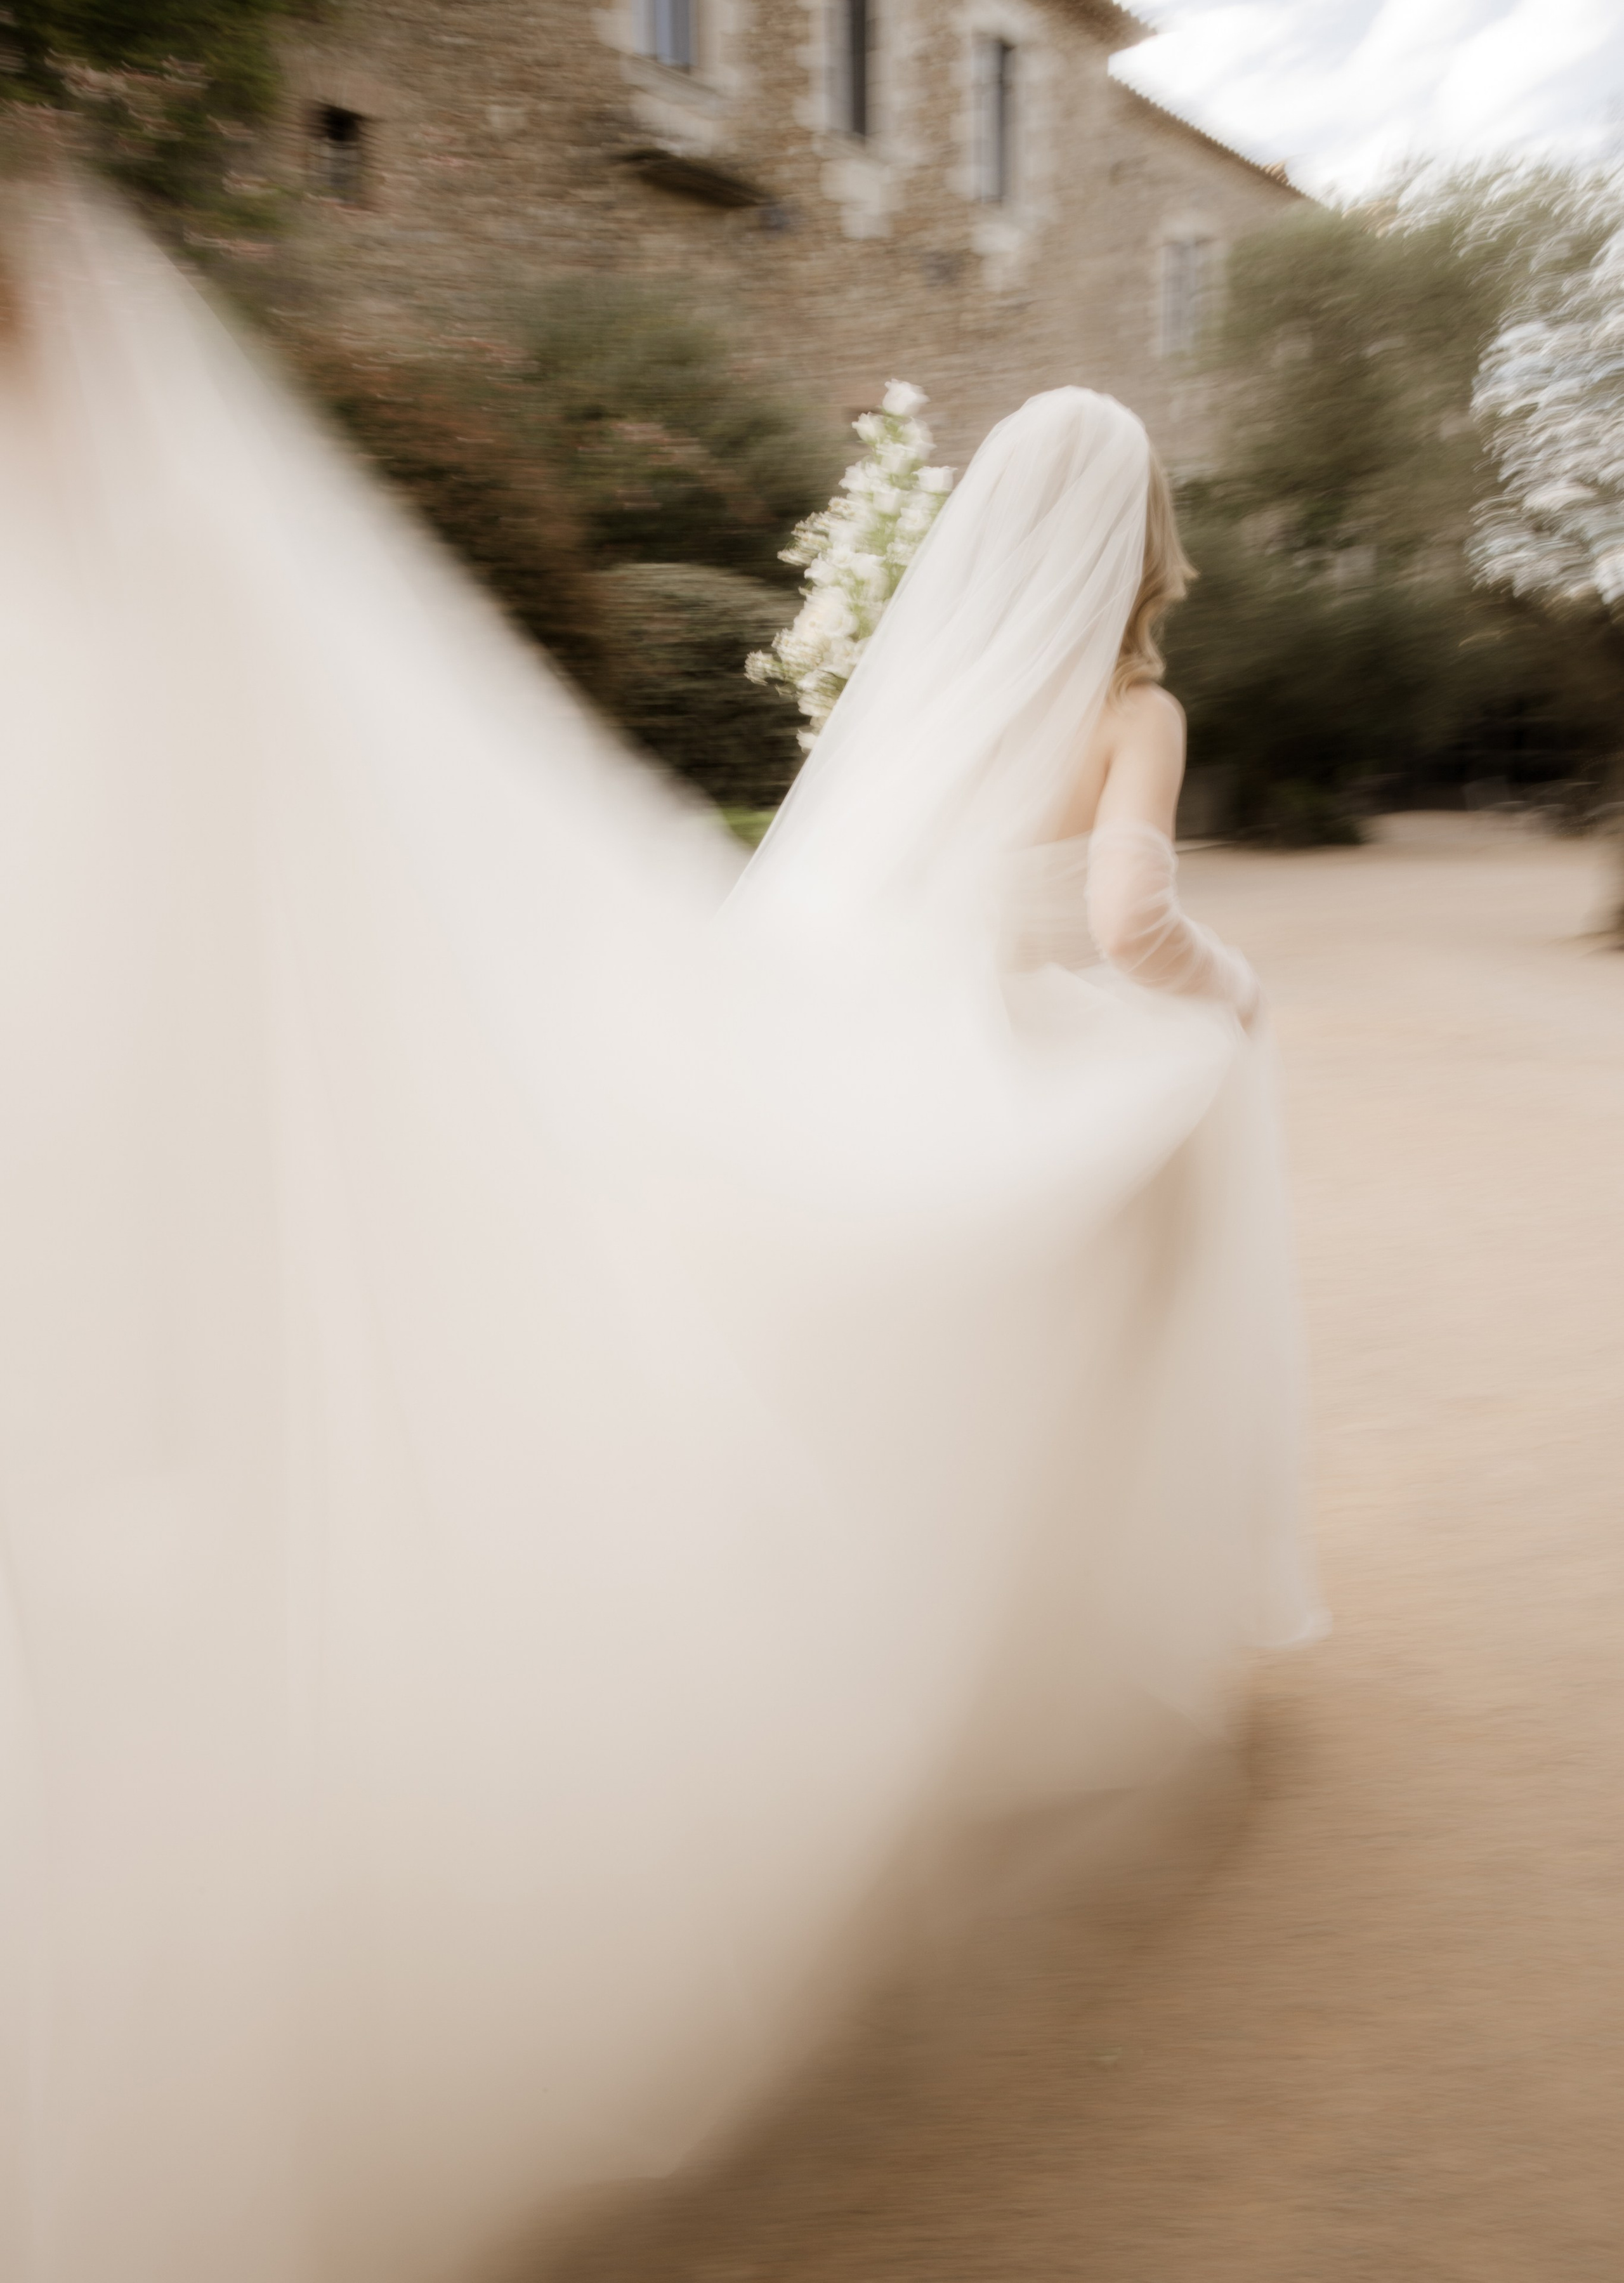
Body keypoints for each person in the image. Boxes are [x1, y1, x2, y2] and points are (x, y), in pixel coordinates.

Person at [0, 174, 1320, 2283]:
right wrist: (1235, 1015)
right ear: (1142, 531)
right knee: (1091, 1378)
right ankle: (1057, 1692)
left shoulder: (960, 694)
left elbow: (872, 904)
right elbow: (1128, 921)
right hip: (1062, 1078)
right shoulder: (1132, 708)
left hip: (911, 1049)